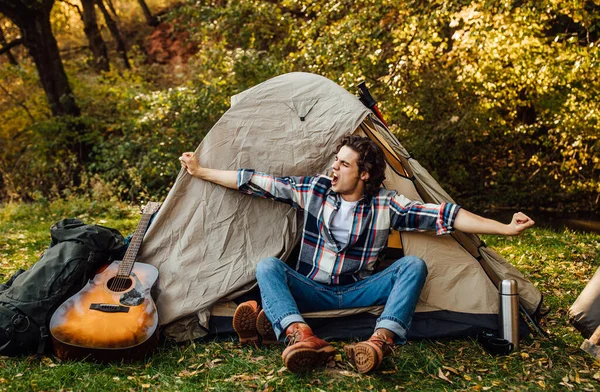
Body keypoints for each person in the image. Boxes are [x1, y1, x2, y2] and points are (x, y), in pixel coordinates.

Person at [179, 134, 534, 374]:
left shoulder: (387, 204)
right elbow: (256, 181)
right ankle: (302, 337)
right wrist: (201, 171)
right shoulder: (314, 189)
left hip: (358, 289)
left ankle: (380, 342)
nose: (333, 168)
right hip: (312, 288)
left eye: (343, 165)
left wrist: (504, 228)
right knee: (269, 267)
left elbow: (447, 215)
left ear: (364, 174)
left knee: (413, 265)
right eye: (335, 161)